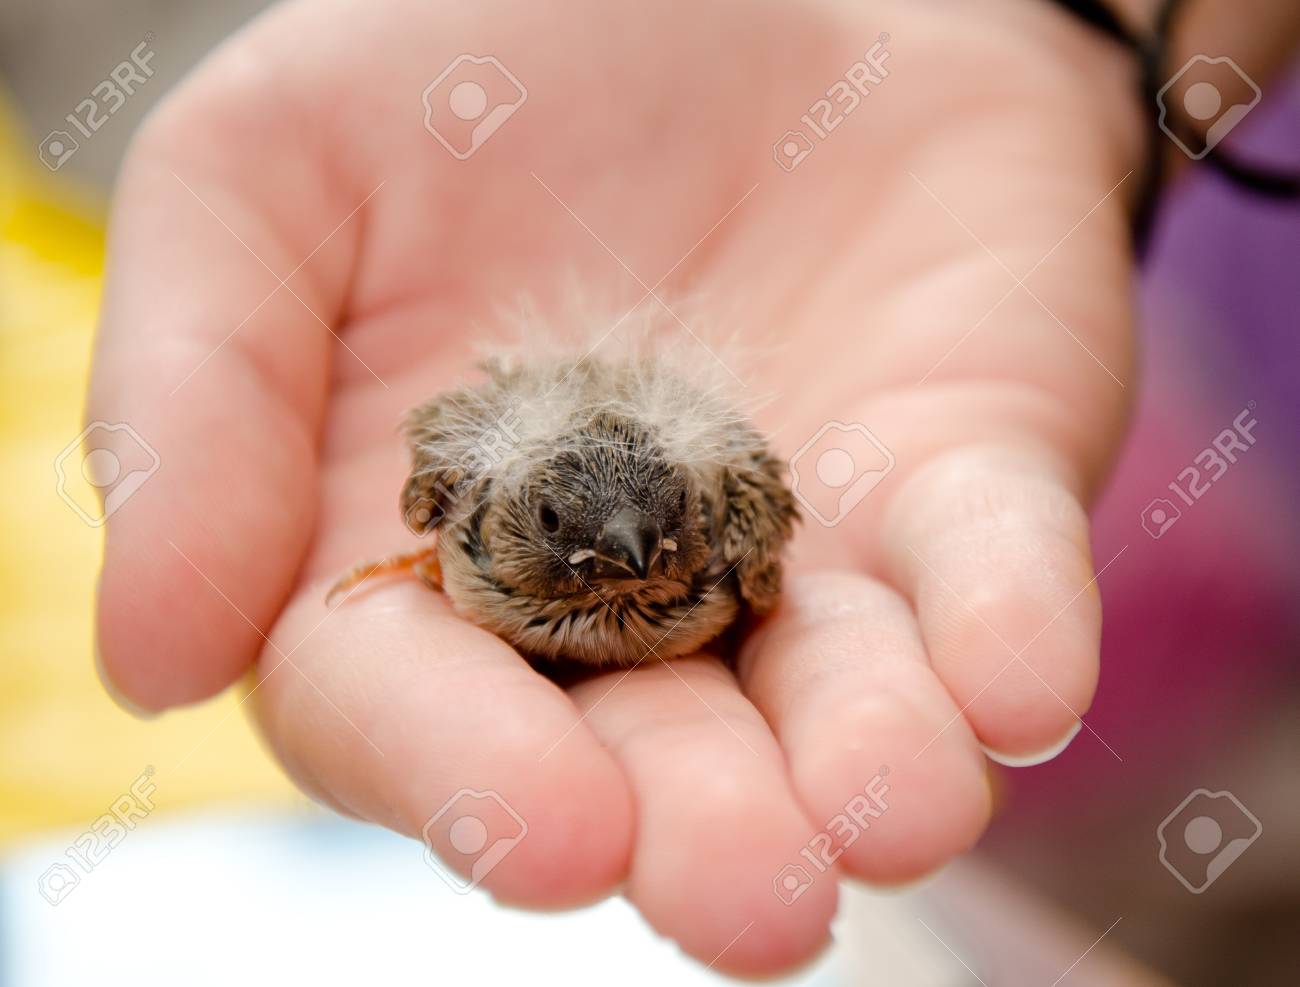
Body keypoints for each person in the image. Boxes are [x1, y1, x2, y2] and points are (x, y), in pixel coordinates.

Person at [88, 0, 1300, 975]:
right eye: (579, 535)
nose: (628, 557)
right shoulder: (465, 484)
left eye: (657, 536)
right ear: (495, 516)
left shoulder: (723, 523)